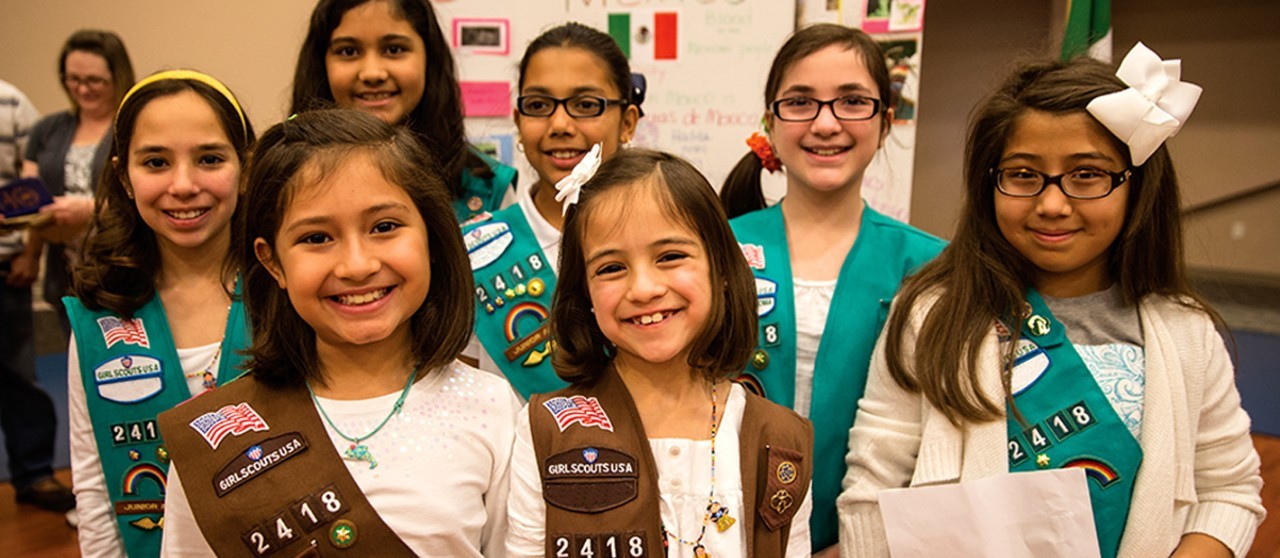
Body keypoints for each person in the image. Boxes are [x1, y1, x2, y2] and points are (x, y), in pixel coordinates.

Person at [837, 45, 1264, 557]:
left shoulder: (1185, 333)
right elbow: (872, 487)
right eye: (1023, 175)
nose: (1053, 204)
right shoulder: (933, 314)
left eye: (1086, 175)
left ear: (1136, 185)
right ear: (988, 183)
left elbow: (1229, 489)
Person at [158, 109, 520, 556]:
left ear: (431, 234)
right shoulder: (214, 438)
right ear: (272, 262)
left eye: (384, 227)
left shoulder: (490, 407)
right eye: (316, 238)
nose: (357, 265)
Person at [507, 148, 813, 557]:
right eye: (611, 268)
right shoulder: (545, 430)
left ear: (722, 269)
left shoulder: (780, 439)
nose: (644, 289)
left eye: (670, 257)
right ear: (585, 295)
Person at [718, 23, 944, 552]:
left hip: (872, 542)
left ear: (886, 123)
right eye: (800, 102)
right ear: (770, 123)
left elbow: (937, 434)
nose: (825, 123)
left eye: (852, 102)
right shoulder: (716, 249)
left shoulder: (932, 265)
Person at [63, 70, 254, 557]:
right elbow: (94, 490)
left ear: (246, 167)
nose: (184, 185)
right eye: (155, 162)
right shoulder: (98, 318)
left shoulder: (287, 294)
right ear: (124, 176)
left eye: (209, 158)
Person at [461, 22, 641, 398]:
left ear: (627, 123)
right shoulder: (472, 254)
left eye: (586, 105)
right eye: (539, 106)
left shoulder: (670, 237)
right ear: (518, 121)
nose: (560, 124)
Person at [291, 0, 516, 222]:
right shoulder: (286, 179)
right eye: (348, 51)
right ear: (321, 64)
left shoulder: (487, 189)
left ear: (429, 59)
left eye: (394, 49)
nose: (372, 73)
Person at [23, 29, 135, 334]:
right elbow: (31, 192)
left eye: (94, 81)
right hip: (66, 271)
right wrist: (30, 253)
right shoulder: (48, 129)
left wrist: (88, 210)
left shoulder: (133, 125)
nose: (83, 89)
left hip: (123, 269)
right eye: (73, 79)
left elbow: (143, 194)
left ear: (117, 76)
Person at [0, 77, 75, 515]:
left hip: (6, 267)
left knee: (17, 374)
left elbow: (35, 189)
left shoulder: (11, 102)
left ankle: (33, 473)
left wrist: (31, 254)